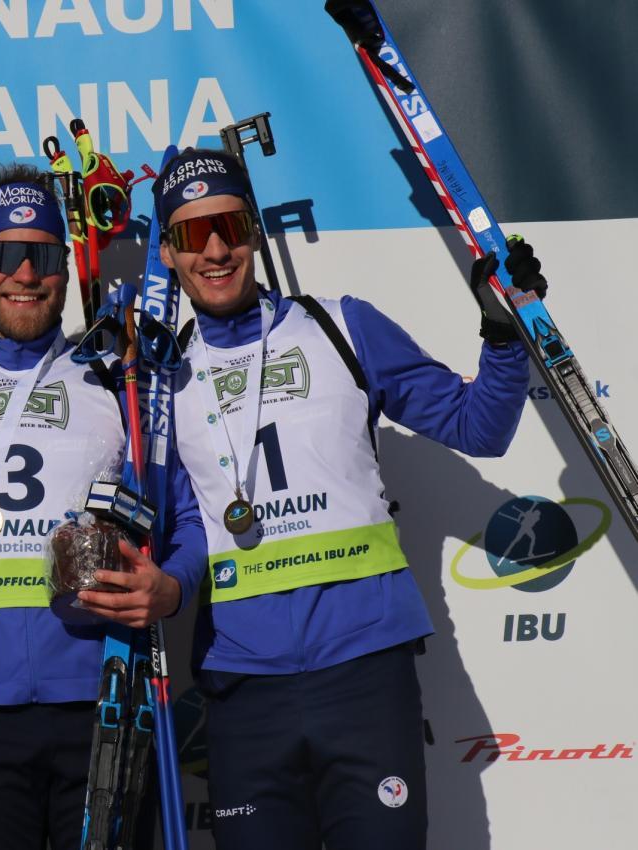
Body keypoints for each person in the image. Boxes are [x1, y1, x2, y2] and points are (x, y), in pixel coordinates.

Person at [151, 148, 545, 850]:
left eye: (230, 226)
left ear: (253, 231)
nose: (214, 249)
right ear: (167, 253)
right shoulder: (162, 378)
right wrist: (165, 591)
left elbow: (477, 429)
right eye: (190, 234)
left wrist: (501, 331)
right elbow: (185, 532)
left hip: (364, 677)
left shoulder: (341, 327)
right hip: (245, 691)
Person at [0, 163, 205, 850]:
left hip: (101, 697)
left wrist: (173, 586)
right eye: (4, 255)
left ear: (65, 267)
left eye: (41, 254)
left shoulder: (117, 380)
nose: (25, 274)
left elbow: (184, 515)